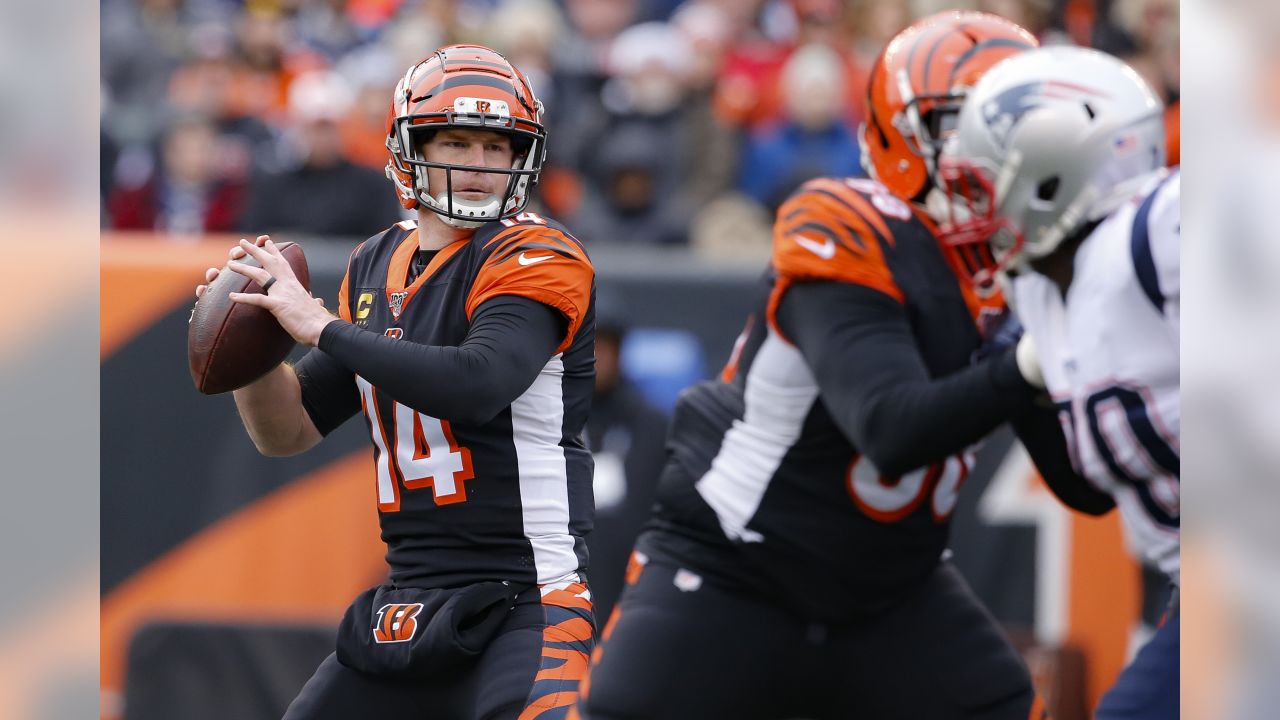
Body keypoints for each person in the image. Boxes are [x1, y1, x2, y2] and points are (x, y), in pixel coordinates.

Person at [578, 12, 1114, 720]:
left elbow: (1086, 486)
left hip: (893, 588)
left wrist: (1076, 359)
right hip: (738, 567)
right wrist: (1029, 359)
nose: (989, 153)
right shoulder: (845, 220)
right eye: (966, 126)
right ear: (901, 132)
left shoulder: (1026, 262)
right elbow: (890, 428)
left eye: (1008, 127)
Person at [194, 45, 597, 720]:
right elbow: (288, 429)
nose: (476, 163)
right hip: (409, 600)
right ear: (407, 150)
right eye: (456, 141)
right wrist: (255, 341)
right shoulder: (377, 261)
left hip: (527, 601)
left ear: (520, 159)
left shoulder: (537, 254)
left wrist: (319, 327)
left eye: (496, 147)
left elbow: (478, 384)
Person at [937, 45, 1179, 720]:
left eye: (986, 180)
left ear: (1055, 166)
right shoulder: (1042, 292)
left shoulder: (1160, 231)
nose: (969, 207)